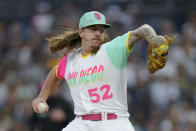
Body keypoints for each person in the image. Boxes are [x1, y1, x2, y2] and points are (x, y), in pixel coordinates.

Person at [32, 11, 168, 131]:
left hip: (114, 122)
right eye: (93, 29)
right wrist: (42, 97)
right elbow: (55, 73)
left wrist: (154, 39)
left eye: (101, 30)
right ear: (81, 32)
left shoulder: (112, 49)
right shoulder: (71, 60)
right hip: (81, 123)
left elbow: (143, 30)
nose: (98, 33)